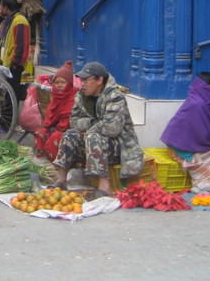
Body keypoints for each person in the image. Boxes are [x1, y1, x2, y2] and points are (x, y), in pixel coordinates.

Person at [52, 62, 144, 195]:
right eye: (81, 80)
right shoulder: (81, 96)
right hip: (95, 143)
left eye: (86, 80)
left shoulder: (115, 97)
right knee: (70, 135)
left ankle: (104, 186)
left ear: (99, 80)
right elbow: (73, 122)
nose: (82, 83)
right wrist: (93, 123)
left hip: (121, 147)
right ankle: (61, 181)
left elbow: (112, 128)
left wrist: (89, 129)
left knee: (93, 136)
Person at [34, 61, 76, 162]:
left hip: (68, 130)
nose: (59, 85)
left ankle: (57, 165)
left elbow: (68, 121)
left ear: (69, 84)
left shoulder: (73, 98)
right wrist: (45, 128)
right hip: (56, 127)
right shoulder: (55, 98)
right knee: (41, 133)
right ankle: (43, 160)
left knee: (55, 137)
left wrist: (56, 130)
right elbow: (49, 118)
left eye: (63, 82)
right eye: (57, 83)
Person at [0, 0, 30, 102]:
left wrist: (15, 64)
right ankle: (8, 118)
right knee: (7, 99)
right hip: (7, 66)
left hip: (14, 67)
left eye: (1, 6)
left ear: (6, 7)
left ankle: (10, 119)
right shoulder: (10, 21)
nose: (0, 9)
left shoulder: (20, 21)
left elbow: (21, 45)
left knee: (11, 99)